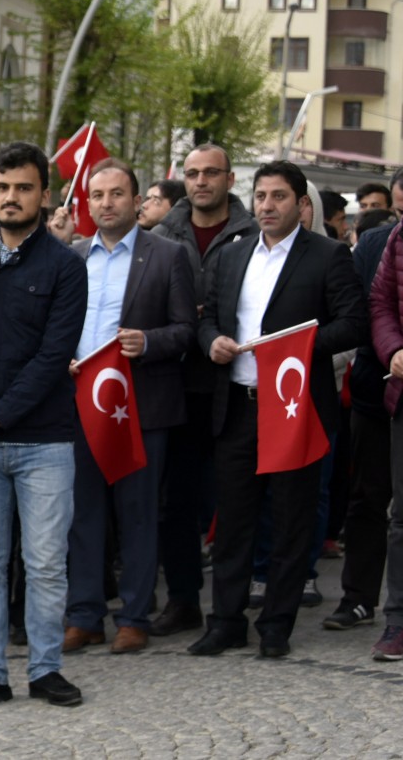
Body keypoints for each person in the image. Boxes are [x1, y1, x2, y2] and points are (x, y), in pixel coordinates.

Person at [190, 160, 365, 659]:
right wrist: (213, 343)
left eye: (279, 197)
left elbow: (352, 324)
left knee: (290, 521)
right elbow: (208, 320)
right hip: (239, 408)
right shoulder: (233, 255)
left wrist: (295, 347)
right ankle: (225, 621)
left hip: (294, 410)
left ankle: (276, 625)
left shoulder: (328, 256)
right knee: (234, 524)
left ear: (301, 204)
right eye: (261, 196)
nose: (267, 206)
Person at [0, 142, 88, 711]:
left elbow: (54, 358)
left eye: (23, 188)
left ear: (44, 195)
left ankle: (46, 669)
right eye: (2, 188)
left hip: (44, 443)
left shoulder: (66, 266)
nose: (10, 198)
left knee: (47, 563)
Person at [61, 159, 196, 655]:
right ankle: (84, 615)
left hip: (141, 407)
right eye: (98, 196)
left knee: (138, 514)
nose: (107, 203)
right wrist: (64, 360)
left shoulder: (167, 256)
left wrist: (150, 341)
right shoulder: (72, 257)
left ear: (136, 201)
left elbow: (186, 330)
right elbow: (57, 327)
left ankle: (134, 615)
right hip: (80, 406)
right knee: (83, 515)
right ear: (88, 203)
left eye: (117, 194)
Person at [148, 143, 258, 638]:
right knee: (177, 500)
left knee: (236, 500)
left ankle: (232, 603)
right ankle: (184, 599)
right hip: (177, 382)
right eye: (192, 173)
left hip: (233, 383)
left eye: (211, 173)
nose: (200, 182)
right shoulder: (161, 232)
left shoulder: (254, 234)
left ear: (230, 179)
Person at [325, 171, 402, 633]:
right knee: (368, 498)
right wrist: (390, 351)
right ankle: (357, 598)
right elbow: (364, 311)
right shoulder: (376, 245)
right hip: (379, 389)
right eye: (398, 208)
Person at [366, 167, 403, 660]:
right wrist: (393, 348)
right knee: (402, 518)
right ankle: (397, 622)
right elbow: (380, 303)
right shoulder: (397, 239)